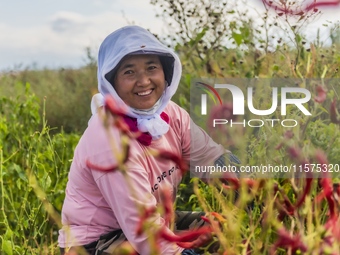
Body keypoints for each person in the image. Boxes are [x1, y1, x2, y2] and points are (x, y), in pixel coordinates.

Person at [58, 25, 239, 255]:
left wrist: (253, 192)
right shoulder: (109, 141)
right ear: (111, 82)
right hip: (95, 243)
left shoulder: (171, 115)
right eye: (129, 72)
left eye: (151, 67)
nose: (144, 81)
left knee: (222, 229)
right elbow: (144, 231)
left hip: (154, 222)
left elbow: (211, 158)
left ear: (165, 72)